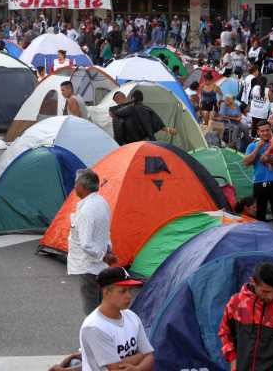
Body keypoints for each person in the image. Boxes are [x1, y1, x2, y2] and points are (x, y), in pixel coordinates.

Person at [66, 267, 154, 371]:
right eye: (123, 291)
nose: (129, 296)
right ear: (106, 293)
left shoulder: (131, 316)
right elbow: (115, 368)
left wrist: (138, 368)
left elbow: (150, 356)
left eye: (130, 290)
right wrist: (141, 356)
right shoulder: (94, 327)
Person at [66, 169, 116, 314]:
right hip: (100, 265)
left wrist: (103, 255)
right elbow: (105, 232)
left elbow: (86, 243)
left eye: (76, 183)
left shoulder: (87, 210)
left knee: (91, 308)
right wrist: (108, 251)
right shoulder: (102, 203)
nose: (74, 186)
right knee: (100, 303)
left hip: (89, 265)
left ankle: (93, 334)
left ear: (83, 186)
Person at [243, 122, 273, 230]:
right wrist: (258, 148)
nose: (265, 133)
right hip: (259, 182)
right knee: (260, 212)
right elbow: (246, 162)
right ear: (258, 132)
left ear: (271, 130)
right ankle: (260, 235)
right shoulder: (253, 145)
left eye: (267, 130)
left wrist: (269, 159)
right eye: (262, 131)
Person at [109, 90, 178, 145]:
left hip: (132, 145)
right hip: (145, 140)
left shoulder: (116, 114)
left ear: (116, 101)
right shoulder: (137, 106)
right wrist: (167, 129)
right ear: (125, 97)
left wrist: (121, 145)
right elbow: (151, 119)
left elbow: (118, 134)